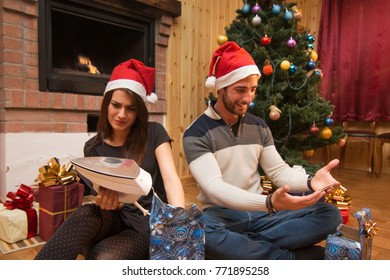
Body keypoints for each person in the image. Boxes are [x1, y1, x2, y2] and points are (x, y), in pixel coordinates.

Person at [182, 42, 342, 260]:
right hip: (222, 216)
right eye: (240, 90)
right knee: (205, 234)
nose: (248, 99)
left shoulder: (259, 125)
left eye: (253, 90)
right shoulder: (196, 133)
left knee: (330, 214)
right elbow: (214, 188)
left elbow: (278, 171)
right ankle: (287, 259)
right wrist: (268, 203)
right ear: (221, 88)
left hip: (261, 214)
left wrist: (310, 182)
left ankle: (251, 250)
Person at [35, 59, 185, 260]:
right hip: (115, 217)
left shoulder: (154, 133)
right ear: (107, 104)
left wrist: (179, 221)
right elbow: (110, 199)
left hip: (147, 222)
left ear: (139, 110)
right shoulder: (93, 147)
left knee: (102, 257)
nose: (122, 114)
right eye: (116, 105)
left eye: (131, 108)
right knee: (85, 213)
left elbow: (171, 179)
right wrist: (110, 202)